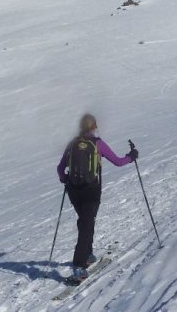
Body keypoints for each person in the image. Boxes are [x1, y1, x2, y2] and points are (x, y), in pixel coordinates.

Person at [57, 114, 137, 283]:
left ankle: (87, 255)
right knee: (86, 224)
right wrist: (131, 156)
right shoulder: (97, 144)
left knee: (86, 221)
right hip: (91, 191)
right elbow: (117, 161)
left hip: (74, 191)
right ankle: (78, 265)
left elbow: (60, 168)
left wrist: (66, 180)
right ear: (93, 127)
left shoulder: (72, 144)